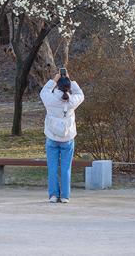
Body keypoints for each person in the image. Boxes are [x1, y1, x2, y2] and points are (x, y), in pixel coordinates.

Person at [40, 67, 85, 203]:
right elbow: (80, 94)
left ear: (57, 85)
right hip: (68, 138)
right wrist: (70, 80)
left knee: (52, 168)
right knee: (66, 168)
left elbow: (44, 91)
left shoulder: (50, 99)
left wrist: (55, 79)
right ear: (68, 86)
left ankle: (53, 196)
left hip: (52, 137)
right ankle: (65, 196)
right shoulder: (72, 101)